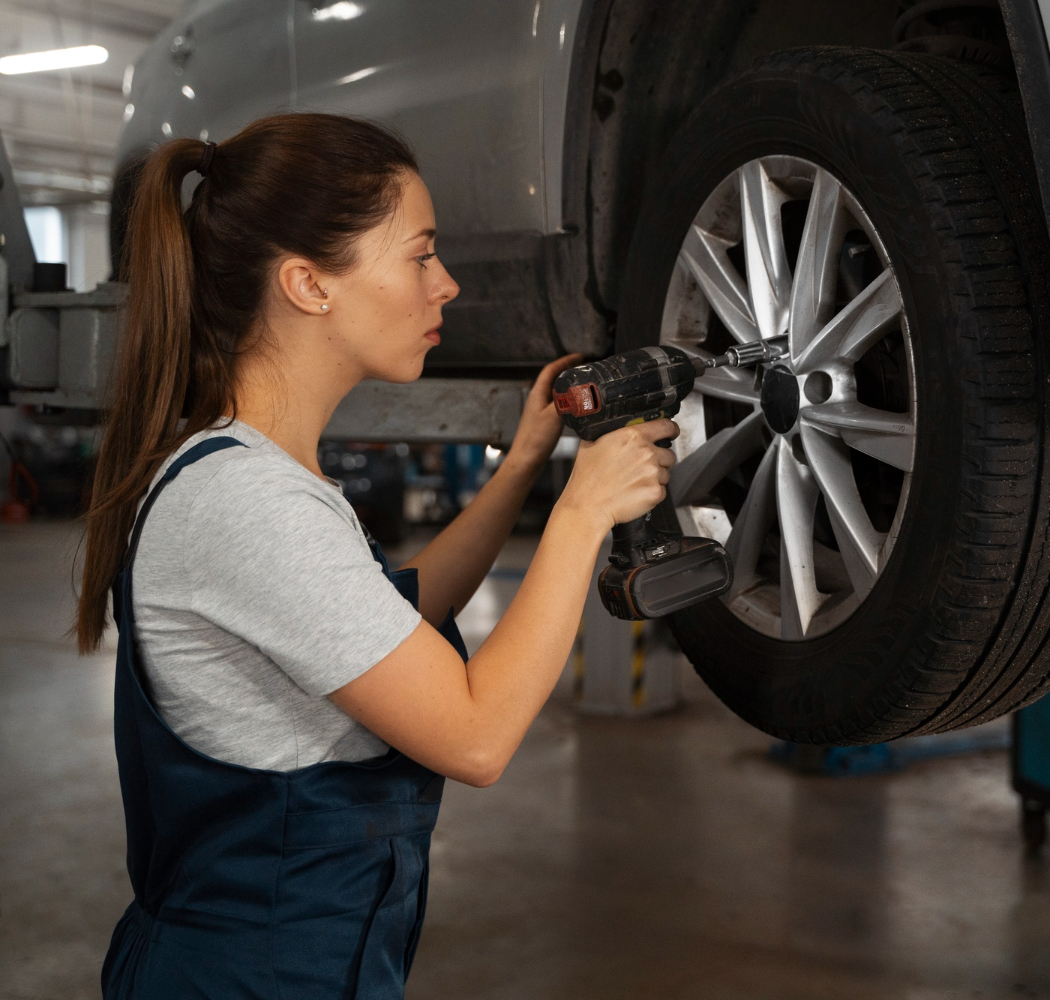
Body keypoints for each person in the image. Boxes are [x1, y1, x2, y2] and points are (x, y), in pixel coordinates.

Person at [75, 113, 678, 998]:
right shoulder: (249, 506)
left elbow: (393, 616)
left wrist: (522, 467)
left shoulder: (253, 475)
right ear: (309, 284)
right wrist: (582, 512)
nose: (448, 285)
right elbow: (476, 738)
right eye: (421, 255)